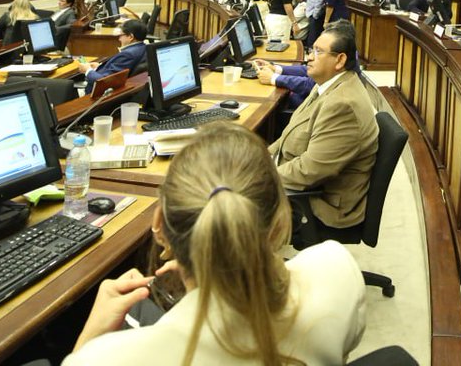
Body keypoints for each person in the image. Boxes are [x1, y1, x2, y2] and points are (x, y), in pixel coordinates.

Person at [65, 124, 366, 365]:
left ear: (159, 225)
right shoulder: (338, 269)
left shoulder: (109, 357)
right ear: (280, 224)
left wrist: (88, 339)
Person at [268, 21, 379, 247]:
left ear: (340, 60)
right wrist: (254, 159)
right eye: (311, 50)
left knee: (226, 204)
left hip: (319, 205)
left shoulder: (343, 105)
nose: (309, 57)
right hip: (299, 183)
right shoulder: (327, 85)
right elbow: (286, 137)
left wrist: (259, 176)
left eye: (318, 52)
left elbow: (309, 170)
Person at [83, 19, 147, 92]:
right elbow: (117, 69)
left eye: (121, 35)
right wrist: (98, 67)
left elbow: (105, 81)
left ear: (130, 37)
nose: (119, 39)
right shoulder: (143, 47)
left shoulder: (127, 54)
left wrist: (87, 70)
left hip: (97, 94)